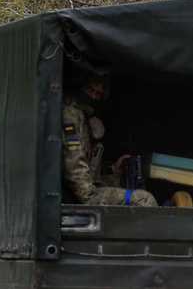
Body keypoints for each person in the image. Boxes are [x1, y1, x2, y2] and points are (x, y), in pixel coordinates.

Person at [62, 72, 157, 207]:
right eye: (91, 90)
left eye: (99, 94)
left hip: (85, 191)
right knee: (144, 200)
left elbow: (90, 171)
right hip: (77, 196)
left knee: (135, 191)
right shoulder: (71, 114)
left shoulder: (86, 118)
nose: (94, 96)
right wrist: (89, 196)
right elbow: (74, 163)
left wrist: (113, 169)